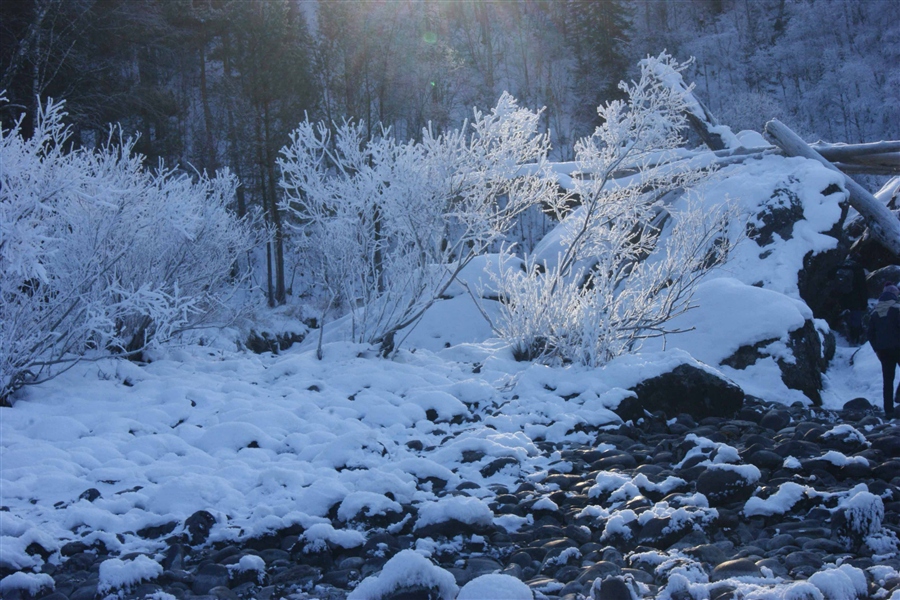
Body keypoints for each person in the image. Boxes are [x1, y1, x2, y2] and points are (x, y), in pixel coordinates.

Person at [867, 283, 900, 418]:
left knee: (888, 380)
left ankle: (888, 411)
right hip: (898, 347)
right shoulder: (897, 309)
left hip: (883, 351)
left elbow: (870, 334)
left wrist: (877, 349)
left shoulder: (876, 312)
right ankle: (899, 395)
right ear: (894, 295)